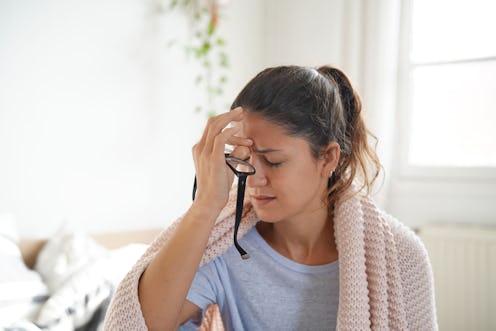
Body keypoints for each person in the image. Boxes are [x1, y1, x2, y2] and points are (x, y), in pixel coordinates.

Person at [103, 66, 437, 330]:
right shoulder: (228, 249)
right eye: (244, 160)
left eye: (274, 161)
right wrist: (206, 204)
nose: (253, 178)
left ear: (328, 159)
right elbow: (137, 325)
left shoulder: (398, 254)